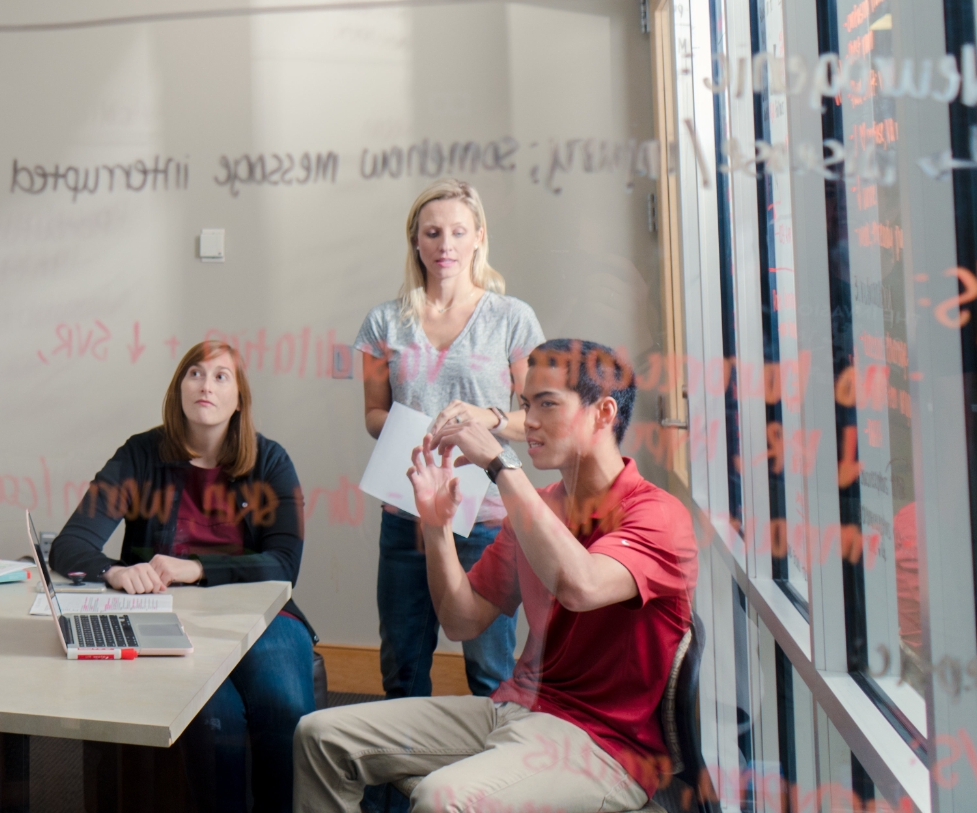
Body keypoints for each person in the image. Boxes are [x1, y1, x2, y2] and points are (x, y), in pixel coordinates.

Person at [294, 339, 697, 813]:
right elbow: (461, 620)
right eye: (525, 404)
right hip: (516, 708)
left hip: (602, 746)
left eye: (547, 403)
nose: (528, 421)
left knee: (439, 799)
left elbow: (581, 585)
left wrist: (500, 464)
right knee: (320, 736)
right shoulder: (539, 507)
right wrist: (436, 526)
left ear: (604, 412)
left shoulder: (657, 515)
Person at [52, 340, 316, 813]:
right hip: (164, 616)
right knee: (215, 721)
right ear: (178, 390)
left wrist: (196, 569)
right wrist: (114, 572)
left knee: (282, 709)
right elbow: (70, 546)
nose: (206, 385)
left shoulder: (271, 461)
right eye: (194, 374)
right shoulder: (140, 455)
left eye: (221, 377)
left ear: (240, 399)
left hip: (263, 616)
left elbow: (283, 564)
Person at [355, 179, 541, 704]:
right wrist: (411, 426)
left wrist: (483, 417)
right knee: (402, 672)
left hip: (484, 519)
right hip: (407, 514)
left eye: (458, 232)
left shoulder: (512, 318)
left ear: (479, 237)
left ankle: (488, 787)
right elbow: (373, 415)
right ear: (415, 240)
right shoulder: (382, 324)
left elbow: (536, 421)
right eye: (432, 232)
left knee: (490, 675)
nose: (445, 244)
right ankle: (399, 786)